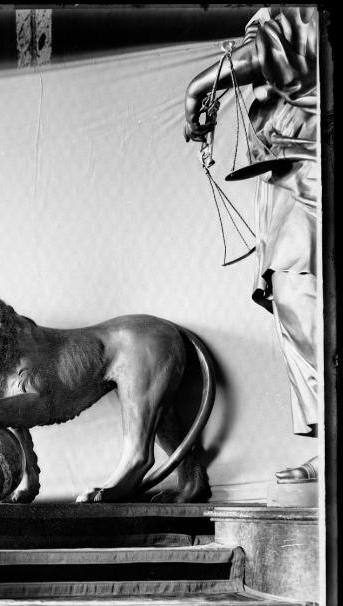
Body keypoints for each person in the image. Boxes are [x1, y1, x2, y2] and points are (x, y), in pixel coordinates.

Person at [183, 7, 320, 484]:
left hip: (311, 174)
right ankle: (330, 442)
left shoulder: (304, 10)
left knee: (306, 301)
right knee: (296, 307)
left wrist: (197, 89)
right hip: (290, 173)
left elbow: (273, 51)